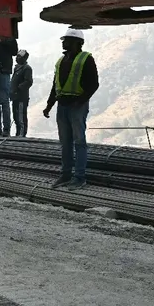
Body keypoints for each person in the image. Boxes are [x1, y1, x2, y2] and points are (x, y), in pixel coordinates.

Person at [43, 28, 99, 190]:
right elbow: (55, 86)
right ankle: (66, 175)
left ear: (77, 43)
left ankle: (79, 177)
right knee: (65, 143)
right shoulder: (61, 61)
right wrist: (49, 105)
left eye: (66, 40)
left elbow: (94, 84)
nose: (63, 42)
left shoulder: (86, 59)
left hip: (77, 107)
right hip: (63, 106)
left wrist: (80, 101)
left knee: (79, 142)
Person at [10, 49, 33, 137]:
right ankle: (18, 133)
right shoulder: (17, 68)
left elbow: (28, 82)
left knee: (21, 117)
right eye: (17, 56)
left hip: (21, 98)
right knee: (16, 117)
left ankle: (22, 135)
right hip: (15, 97)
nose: (17, 58)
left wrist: (18, 89)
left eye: (19, 56)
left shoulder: (27, 68)